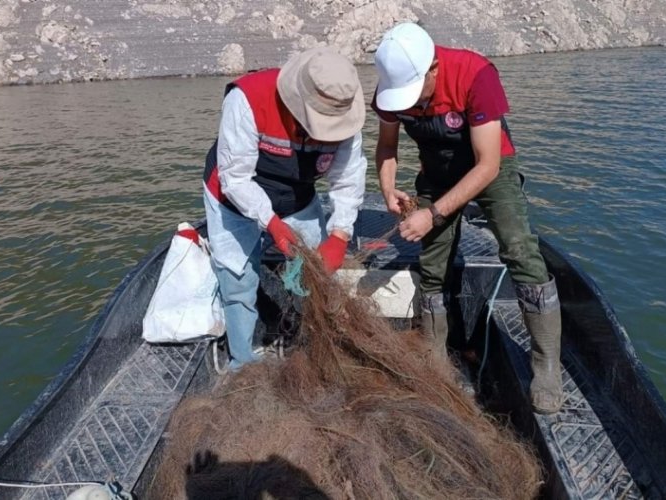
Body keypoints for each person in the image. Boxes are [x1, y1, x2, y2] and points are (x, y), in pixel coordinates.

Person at [371, 23, 563, 414]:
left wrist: (434, 213)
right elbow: (387, 147)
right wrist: (388, 189)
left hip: (489, 167)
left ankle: (545, 365)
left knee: (519, 250)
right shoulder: (390, 92)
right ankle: (435, 358)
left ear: (434, 68)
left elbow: (488, 164)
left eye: (417, 93)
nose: (411, 104)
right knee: (432, 264)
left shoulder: (476, 75)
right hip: (437, 172)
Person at [202, 47, 367, 371]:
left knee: (317, 276)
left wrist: (340, 234)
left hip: (298, 195)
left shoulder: (345, 114)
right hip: (232, 196)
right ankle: (242, 362)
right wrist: (271, 223)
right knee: (238, 280)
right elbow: (235, 178)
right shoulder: (248, 99)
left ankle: (309, 346)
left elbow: (348, 180)